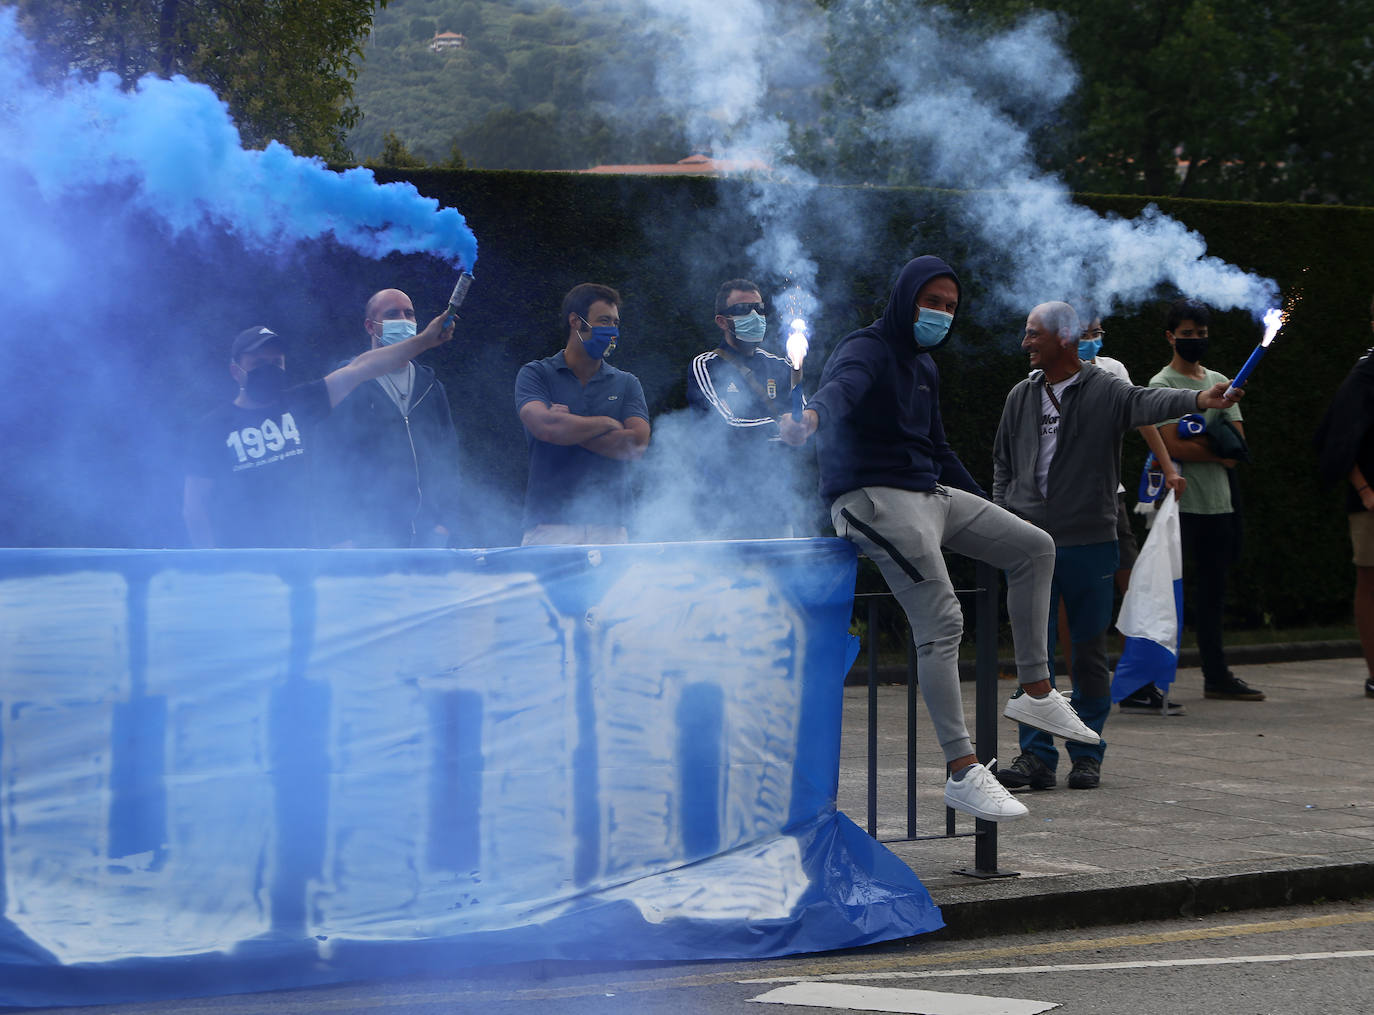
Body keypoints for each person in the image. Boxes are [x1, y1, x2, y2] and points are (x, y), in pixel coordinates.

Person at [777, 255, 1101, 824]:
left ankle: (1036, 690)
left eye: (950, 307)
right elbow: (840, 391)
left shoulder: (925, 365)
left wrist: (991, 510)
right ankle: (963, 771)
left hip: (930, 494)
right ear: (906, 297)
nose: (941, 314)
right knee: (943, 620)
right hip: (870, 499)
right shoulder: (866, 347)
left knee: (1034, 547)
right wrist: (811, 419)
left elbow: (940, 450)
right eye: (932, 302)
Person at [993, 302, 1240, 791]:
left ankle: (1087, 752)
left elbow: (1149, 402)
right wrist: (1004, 522)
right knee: (1031, 653)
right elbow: (1002, 462)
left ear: (1062, 338)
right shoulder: (1020, 396)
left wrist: (1200, 401)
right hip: (1028, 542)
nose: (1025, 343)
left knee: (1087, 652)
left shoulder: (1104, 388)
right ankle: (1035, 757)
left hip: (1089, 539)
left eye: (1033, 334)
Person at [183, 313, 456, 548]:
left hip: (302, 557)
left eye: (276, 363)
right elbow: (194, 507)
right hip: (243, 562)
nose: (269, 370)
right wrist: (212, 564)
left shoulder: (300, 403)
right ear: (235, 370)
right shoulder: (213, 426)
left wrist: (423, 341)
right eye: (257, 364)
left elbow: (362, 367)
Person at [1072, 315, 1188, 716]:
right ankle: (1073, 684)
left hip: (1111, 498)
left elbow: (1144, 415)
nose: (1091, 341)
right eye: (1083, 334)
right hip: (1065, 504)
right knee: (1068, 595)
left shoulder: (1113, 370)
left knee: (1132, 582)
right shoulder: (1047, 373)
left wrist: (1169, 466)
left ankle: (1135, 683)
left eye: (1097, 333)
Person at [1149, 300, 1264, 701]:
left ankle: (1217, 675)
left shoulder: (1221, 381)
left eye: (1201, 334)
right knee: (1167, 595)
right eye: (1187, 334)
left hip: (1220, 503)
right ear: (1170, 336)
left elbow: (1240, 446)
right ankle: (1150, 679)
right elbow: (1172, 445)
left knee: (1214, 594)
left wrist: (1207, 444)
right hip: (1180, 505)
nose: (1195, 341)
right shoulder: (1161, 386)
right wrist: (1215, 448)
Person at [316, 288, 465, 548]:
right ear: (370, 326)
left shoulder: (430, 385)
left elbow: (449, 457)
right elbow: (329, 459)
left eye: (409, 314)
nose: (404, 321)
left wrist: (446, 522)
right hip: (367, 534)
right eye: (392, 314)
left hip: (428, 535)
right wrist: (339, 534)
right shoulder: (350, 381)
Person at [515, 283, 650, 545]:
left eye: (615, 322)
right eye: (603, 321)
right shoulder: (536, 374)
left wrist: (568, 426)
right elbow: (545, 427)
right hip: (550, 527)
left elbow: (636, 445)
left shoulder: (626, 382)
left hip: (611, 528)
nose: (612, 330)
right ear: (576, 321)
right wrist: (608, 423)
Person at [686, 278, 808, 537]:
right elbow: (725, 426)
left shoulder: (781, 366)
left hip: (777, 506)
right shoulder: (705, 366)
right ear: (722, 321)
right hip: (721, 510)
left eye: (759, 309)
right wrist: (781, 427)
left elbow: (804, 420)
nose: (754, 316)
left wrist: (801, 426)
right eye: (743, 310)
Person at [1314, 293, 1374, 699]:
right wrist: (1365, 489)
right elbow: (1335, 436)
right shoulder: (1367, 372)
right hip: (1372, 502)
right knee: (1370, 580)